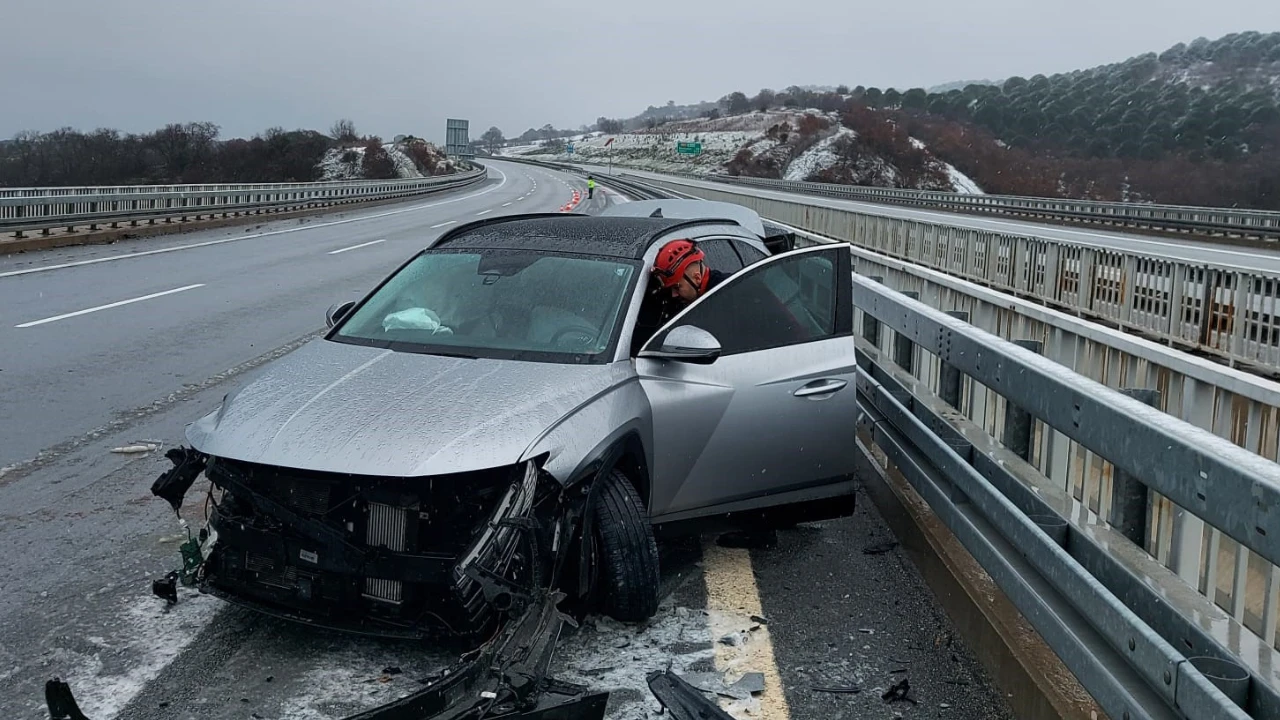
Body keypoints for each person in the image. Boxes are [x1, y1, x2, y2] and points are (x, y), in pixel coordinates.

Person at [633, 239, 778, 550]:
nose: (673, 295)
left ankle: (760, 528)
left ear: (695, 276)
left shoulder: (728, 298)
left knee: (746, 450)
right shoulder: (704, 294)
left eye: (675, 288)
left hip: (761, 379)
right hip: (748, 377)